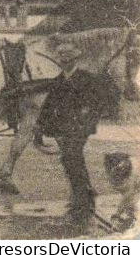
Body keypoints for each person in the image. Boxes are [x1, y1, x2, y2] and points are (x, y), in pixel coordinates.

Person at [38, 36, 121, 220]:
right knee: (70, 160)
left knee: (72, 157)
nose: (65, 63)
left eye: (68, 59)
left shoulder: (86, 78)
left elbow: (98, 101)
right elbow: (48, 105)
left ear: (75, 60)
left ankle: (82, 200)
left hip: (80, 127)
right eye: (62, 60)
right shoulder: (59, 80)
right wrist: (40, 125)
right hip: (64, 128)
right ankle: (85, 193)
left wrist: (87, 116)